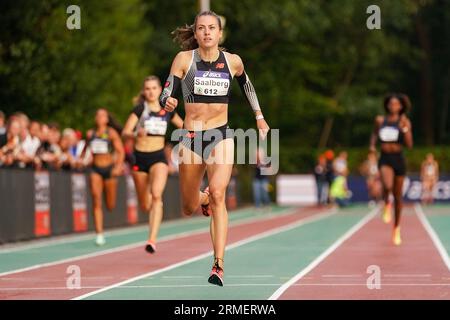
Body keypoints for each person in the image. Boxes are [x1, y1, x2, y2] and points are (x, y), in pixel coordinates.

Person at [160, 10, 270, 286]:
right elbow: (167, 90)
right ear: (195, 33)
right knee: (188, 207)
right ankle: (203, 200)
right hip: (192, 137)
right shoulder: (185, 59)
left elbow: (248, 86)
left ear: (220, 34)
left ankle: (218, 265)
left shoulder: (232, 62)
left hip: (221, 136)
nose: (207, 32)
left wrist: (259, 116)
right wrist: (167, 101)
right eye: (201, 28)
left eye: (212, 28)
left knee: (220, 193)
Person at [122, 76, 183, 253]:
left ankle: (152, 240)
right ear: (144, 91)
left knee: (156, 195)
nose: (150, 91)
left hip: (158, 158)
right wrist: (135, 134)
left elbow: (184, 126)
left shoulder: (167, 109)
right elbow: (125, 133)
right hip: (139, 159)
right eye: (147, 88)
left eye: (154, 88)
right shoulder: (140, 109)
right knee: (145, 204)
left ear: (160, 90)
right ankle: (152, 208)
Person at [369, 93, 413, 246]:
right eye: (391, 104)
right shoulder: (380, 120)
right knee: (387, 185)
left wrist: (405, 128)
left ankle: (396, 228)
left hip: (398, 158)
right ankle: (387, 202)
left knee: (398, 196)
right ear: (387, 105)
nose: (393, 106)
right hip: (385, 158)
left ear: (401, 106)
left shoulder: (404, 121)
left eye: (396, 104)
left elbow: (409, 145)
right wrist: (372, 146)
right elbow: (374, 134)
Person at [83, 109, 125, 246]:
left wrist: (118, 167)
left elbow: (120, 151)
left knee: (110, 204)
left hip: (109, 170)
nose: (100, 117)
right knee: (96, 199)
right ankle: (99, 234)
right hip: (95, 169)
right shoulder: (91, 134)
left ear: (107, 119)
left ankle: (101, 228)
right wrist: (83, 159)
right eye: (97, 115)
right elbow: (85, 151)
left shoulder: (111, 133)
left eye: (103, 115)